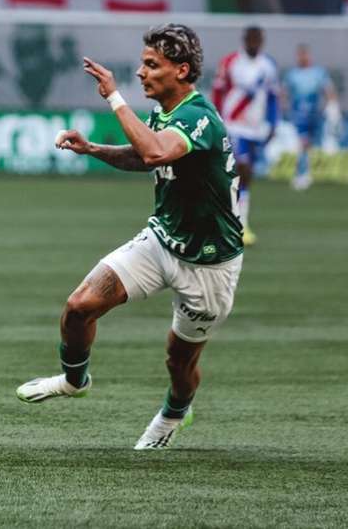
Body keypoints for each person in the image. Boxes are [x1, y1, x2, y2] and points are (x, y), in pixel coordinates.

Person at [16, 24, 243, 450]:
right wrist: (94, 150)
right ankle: (73, 380)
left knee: (179, 360)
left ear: (182, 70)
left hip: (210, 265)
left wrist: (113, 97)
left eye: (151, 65)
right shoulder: (166, 112)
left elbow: (157, 151)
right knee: (79, 307)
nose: (141, 73)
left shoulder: (197, 117)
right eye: (142, 63)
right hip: (163, 240)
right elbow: (148, 158)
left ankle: (175, 412)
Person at [211, 26, 277, 245]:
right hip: (233, 126)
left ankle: (241, 223)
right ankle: (236, 224)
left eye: (257, 40)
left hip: (255, 129)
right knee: (242, 167)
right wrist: (218, 121)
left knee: (244, 178)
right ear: (244, 40)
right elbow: (218, 92)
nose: (254, 43)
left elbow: (273, 97)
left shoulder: (268, 66)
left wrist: (274, 124)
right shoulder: (230, 62)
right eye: (251, 39)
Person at [283, 44, 339, 190]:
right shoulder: (292, 74)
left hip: (314, 114)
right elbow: (284, 92)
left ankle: (304, 172)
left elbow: (328, 90)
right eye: (300, 55)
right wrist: (284, 108)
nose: (302, 58)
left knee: (309, 144)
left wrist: (331, 106)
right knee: (302, 142)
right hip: (298, 115)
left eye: (305, 55)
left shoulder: (318, 73)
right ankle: (302, 174)